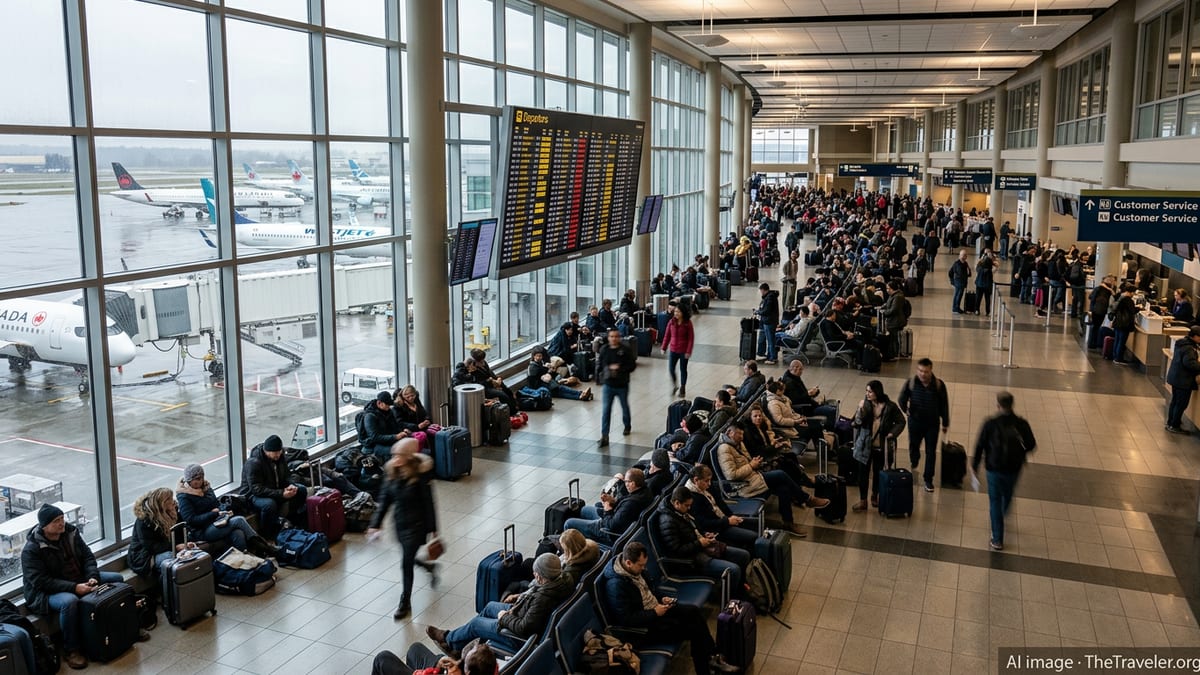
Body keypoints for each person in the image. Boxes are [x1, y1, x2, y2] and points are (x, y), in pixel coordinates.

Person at [22, 503, 149, 670]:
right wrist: (74, 587)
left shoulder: (70, 532)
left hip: (79, 578)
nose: (61, 523)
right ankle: (71, 649)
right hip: (46, 592)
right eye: (56, 521)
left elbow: (88, 557)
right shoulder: (32, 550)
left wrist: (92, 577)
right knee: (69, 602)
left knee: (117, 579)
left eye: (61, 518)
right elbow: (41, 581)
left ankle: (128, 626)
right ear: (45, 526)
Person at [599, 543, 741, 675]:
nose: (643, 568)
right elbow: (627, 619)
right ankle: (707, 666)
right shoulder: (616, 586)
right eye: (641, 565)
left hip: (657, 609)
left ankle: (712, 658)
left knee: (693, 611)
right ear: (628, 563)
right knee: (694, 630)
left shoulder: (635, 570)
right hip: (646, 627)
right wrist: (654, 612)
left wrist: (662, 597)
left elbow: (650, 589)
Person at [426, 552, 574, 658]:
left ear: (542, 576)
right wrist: (520, 597)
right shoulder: (562, 580)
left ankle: (449, 640)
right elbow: (534, 601)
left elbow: (524, 628)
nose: (534, 576)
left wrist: (503, 618)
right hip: (524, 612)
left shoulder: (543, 598)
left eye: (536, 574)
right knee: (490, 606)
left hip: (516, 637)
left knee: (476, 623)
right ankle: (461, 643)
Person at [368, 439, 439, 621]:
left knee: (405, 563)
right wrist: (375, 524)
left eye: (398, 455)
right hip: (400, 525)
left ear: (408, 456)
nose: (394, 459)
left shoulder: (420, 475)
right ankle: (427, 566)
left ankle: (404, 601)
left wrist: (433, 528)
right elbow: (385, 501)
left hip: (417, 526)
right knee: (408, 558)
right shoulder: (392, 473)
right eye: (394, 455)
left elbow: (428, 503)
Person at [715, 422, 828, 537]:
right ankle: (807, 499)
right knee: (780, 474)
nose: (741, 437)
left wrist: (754, 463)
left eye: (742, 434)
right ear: (729, 433)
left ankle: (788, 523)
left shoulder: (737, 444)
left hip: (753, 477)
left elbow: (745, 462)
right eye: (739, 434)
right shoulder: (724, 449)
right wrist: (751, 466)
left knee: (784, 489)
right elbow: (731, 475)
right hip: (743, 486)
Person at [971, 391, 1037, 551]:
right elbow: (1031, 444)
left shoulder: (990, 424)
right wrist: (1021, 452)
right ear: (1012, 405)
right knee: (1007, 493)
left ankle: (997, 539)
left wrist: (974, 466)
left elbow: (980, 445)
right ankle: (1003, 510)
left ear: (998, 405)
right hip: (1014, 468)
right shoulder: (1021, 423)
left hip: (994, 468)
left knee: (994, 500)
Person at [654, 487, 751, 596]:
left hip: (703, 548)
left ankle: (740, 587)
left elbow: (694, 528)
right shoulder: (668, 522)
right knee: (734, 570)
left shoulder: (681, 511)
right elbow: (677, 550)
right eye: (687, 505)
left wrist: (704, 534)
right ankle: (731, 598)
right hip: (693, 559)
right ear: (677, 503)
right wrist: (699, 543)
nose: (689, 508)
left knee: (744, 555)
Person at [176, 464, 276, 557]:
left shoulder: (206, 488)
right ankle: (265, 548)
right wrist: (212, 514)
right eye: (197, 479)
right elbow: (191, 519)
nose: (200, 481)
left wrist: (223, 511)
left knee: (238, 533)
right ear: (189, 480)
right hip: (202, 531)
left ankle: (244, 559)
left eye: (202, 477)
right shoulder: (184, 496)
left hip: (217, 521)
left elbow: (216, 504)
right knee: (239, 520)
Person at [129, 487, 196, 598]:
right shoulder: (145, 520)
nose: (173, 501)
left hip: (165, 548)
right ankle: (170, 597)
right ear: (162, 503)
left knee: (188, 554)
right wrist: (175, 546)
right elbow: (150, 546)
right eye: (169, 499)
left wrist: (185, 544)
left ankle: (184, 592)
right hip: (145, 556)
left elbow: (179, 532)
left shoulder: (171, 512)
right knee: (173, 560)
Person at [850, 380, 907, 512]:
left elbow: (901, 421)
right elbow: (856, 423)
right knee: (863, 474)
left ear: (877, 392)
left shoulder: (890, 406)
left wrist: (892, 434)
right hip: (864, 445)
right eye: (866, 391)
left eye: (870, 391)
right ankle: (863, 500)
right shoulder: (865, 405)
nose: (867, 394)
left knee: (878, 472)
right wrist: (860, 409)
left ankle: (875, 495)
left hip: (881, 446)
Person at [897, 358, 951, 493]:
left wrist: (945, 422)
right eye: (920, 371)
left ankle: (928, 479)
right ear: (917, 370)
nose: (922, 374)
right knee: (914, 445)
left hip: (932, 424)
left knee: (931, 452)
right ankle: (914, 460)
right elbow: (901, 399)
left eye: (926, 371)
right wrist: (906, 410)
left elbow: (944, 404)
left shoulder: (939, 385)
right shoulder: (911, 383)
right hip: (915, 422)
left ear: (931, 371)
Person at [239, 434, 308, 538]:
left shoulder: (280, 457)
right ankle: (267, 534)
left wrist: (291, 485)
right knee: (269, 504)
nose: (278, 455)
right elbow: (256, 489)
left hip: (275, 489)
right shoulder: (254, 463)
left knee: (301, 490)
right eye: (275, 453)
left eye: (279, 452)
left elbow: (287, 475)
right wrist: (281, 493)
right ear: (266, 451)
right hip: (252, 496)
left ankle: (294, 522)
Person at [562, 468, 651, 544]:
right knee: (584, 510)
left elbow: (611, 525)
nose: (625, 483)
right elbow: (623, 505)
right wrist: (613, 501)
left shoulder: (631, 504)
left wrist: (607, 509)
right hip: (617, 519)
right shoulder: (645, 491)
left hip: (607, 531)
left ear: (633, 483)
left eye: (626, 481)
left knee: (569, 523)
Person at [685, 465, 759, 549]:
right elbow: (703, 523)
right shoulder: (690, 497)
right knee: (754, 536)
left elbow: (719, 502)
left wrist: (731, 515)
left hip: (724, 519)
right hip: (717, 528)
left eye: (710, 480)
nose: (709, 484)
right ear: (696, 480)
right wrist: (727, 521)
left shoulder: (705, 485)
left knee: (757, 524)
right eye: (706, 481)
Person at [596, 328, 636, 446]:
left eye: (616, 336)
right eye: (611, 336)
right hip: (608, 385)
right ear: (608, 338)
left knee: (624, 406)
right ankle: (604, 435)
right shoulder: (604, 350)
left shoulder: (625, 350)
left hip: (622, 385)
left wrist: (620, 368)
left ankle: (627, 425)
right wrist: (600, 377)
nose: (613, 339)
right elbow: (600, 364)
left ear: (619, 337)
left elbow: (632, 366)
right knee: (606, 410)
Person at [372, 641, 498, 675]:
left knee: (382, 658)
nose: (459, 662)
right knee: (415, 649)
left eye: (463, 663)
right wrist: (438, 665)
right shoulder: (491, 667)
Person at [1165, 326, 1200, 433]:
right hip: (1183, 380)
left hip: (1176, 377)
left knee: (1175, 401)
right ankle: (1174, 425)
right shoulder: (1190, 348)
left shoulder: (1181, 343)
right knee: (1181, 404)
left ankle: (1171, 422)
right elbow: (1189, 363)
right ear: (1194, 336)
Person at [527, 346, 591, 401]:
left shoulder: (538, 364)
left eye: (540, 356)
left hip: (545, 385)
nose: (538, 358)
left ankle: (581, 394)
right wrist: (549, 372)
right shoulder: (533, 367)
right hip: (541, 387)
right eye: (537, 356)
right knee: (561, 391)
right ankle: (580, 395)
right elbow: (543, 378)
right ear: (534, 356)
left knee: (561, 390)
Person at [362, 391, 409, 460]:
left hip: (387, 439)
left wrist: (402, 431)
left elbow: (395, 425)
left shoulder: (388, 411)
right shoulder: (370, 416)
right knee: (398, 451)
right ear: (379, 403)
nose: (389, 406)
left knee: (407, 445)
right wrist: (395, 437)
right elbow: (374, 437)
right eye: (387, 404)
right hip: (374, 445)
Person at [661, 305, 695, 399]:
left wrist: (688, 351)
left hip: (683, 351)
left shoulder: (688, 323)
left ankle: (683, 387)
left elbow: (691, 339)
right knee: (671, 369)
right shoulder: (671, 322)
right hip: (673, 350)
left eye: (678, 312)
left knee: (683, 369)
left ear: (683, 313)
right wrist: (663, 347)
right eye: (675, 311)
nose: (676, 313)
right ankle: (675, 384)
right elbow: (667, 335)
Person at [1110, 284, 1137, 365]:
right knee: (1121, 341)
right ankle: (1119, 358)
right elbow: (1133, 311)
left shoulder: (1120, 297)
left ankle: (1115, 356)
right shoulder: (1128, 300)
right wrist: (1139, 308)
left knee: (1117, 340)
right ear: (1131, 292)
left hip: (1118, 322)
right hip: (1124, 323)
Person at [1087, 275, 1116, 349]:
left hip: (1096, 309)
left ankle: (1092, 343)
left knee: (1095, 327)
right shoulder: (1106, 291)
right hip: (1100, 311)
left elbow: (1090, 297)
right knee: (1096, 327)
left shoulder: (1099, 288)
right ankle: (1093, 343)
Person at [755, 283, 781, 365]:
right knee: (770, 339)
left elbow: (766, 310)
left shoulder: (770, 298)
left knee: (770, 340)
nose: (761, 293)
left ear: (763, 290)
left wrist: (758, 312)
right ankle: (770, 355)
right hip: (769, 321)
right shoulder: (770, 296)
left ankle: (772, 358)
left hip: (769, 321)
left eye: (761, 291)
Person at [948, 249, 971, 314]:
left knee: (960, 295)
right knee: (957, 295)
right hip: (958, 282)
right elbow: (950, 272)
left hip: (963, 282)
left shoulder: (965, 263)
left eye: (965, 255)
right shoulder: (957, 264)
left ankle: (957, 307)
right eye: (963, 255)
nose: (964, 257)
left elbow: (968, 274)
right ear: (959, 256)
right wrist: (952, 281)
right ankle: (955, 308)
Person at [975, 249, 995, 317]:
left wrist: (981, 259)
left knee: (978, 298)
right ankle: (988, 311)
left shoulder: (980, 268)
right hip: (987, 286)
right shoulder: (989, 270)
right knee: (987, 299)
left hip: (979, 284)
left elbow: (977, 267)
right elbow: (994, 270)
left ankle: (976, 310)